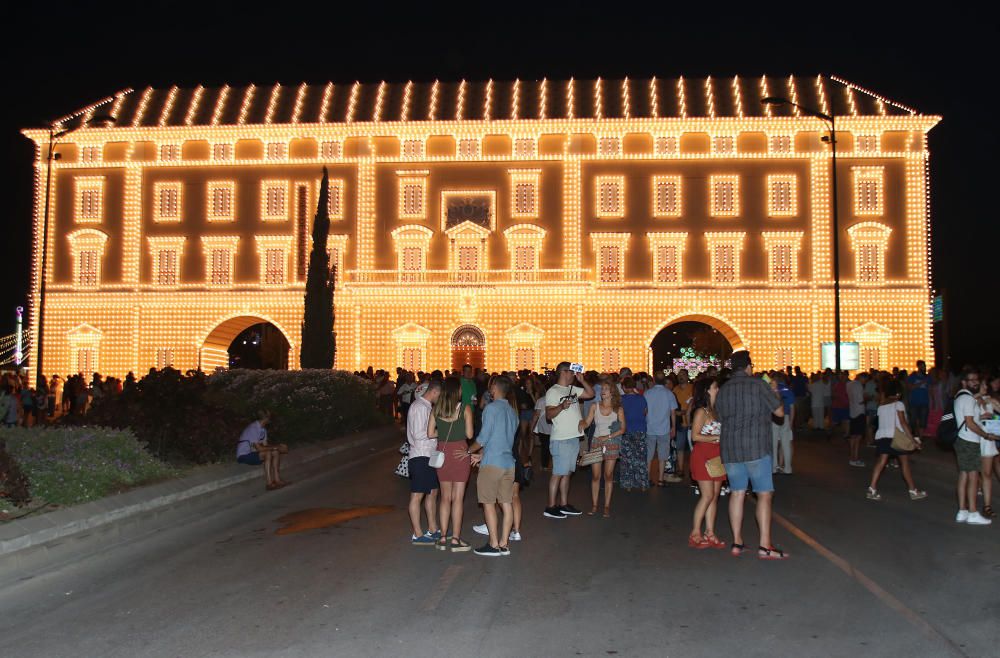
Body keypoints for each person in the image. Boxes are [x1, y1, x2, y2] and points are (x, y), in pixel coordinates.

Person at [715, 350, 788, 560]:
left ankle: (737, 542)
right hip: (756, 448)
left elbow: (719, 417)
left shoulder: (724, 390)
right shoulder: (759, 385)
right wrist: (775, 392)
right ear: (748, 366)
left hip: (731, 449)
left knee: (737, 493)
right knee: (764, 494)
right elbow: (779, 413)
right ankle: (765, 545)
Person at [460, 375, 519, 557]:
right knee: (506, 503)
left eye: (491, 387)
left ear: (494, 388)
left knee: (488, 503)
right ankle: (504, 544)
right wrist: (482, 454)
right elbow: (502, 439)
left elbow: (483, 438)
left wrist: (468, 451)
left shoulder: (491, 409)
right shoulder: (512, 412)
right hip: (508, 463)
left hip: (492, 463)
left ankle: (493, 544)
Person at [428, 377, 474, 552]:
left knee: (445, 497)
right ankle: (455, 539)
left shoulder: (436, 409)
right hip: (460, 454)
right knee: (458, 499)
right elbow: (469, 435)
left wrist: (443, 431)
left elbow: (430, 433)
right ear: (457, 391)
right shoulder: (465, 408)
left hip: (443, 454)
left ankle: (442, 537)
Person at [543, 362, 594, 519]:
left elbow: (590, 394)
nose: (573, 375)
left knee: (567, 473)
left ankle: (564, 504)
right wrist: (561, 406)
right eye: (572, 372)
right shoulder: (553, 391)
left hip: (573, 438)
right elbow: (548, 415)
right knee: (558, 473)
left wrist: (583, 380)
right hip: (561, 439)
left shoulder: (573, 389)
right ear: (563, 372)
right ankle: (550, 506)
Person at [865, 380, 927, 501]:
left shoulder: (881, 406)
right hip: (896, 437)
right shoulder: (898, 404)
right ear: (898, 393)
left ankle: (872, 488)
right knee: (905, 464)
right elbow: (903, 423)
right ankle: (913, 491)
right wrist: (913, 440)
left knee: (881, 462)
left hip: (883, 436)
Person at [954, 368, 997, 525]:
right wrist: (986, 435)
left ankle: (962, 511)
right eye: (971, 380)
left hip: (962, 440)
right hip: (969, 441)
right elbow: (970, 423)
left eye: (976, 380)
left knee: (964, 475)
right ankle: (972, 513)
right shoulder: (968, 399)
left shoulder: (961, 396)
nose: (975, 382)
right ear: (964, 382)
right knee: (973, 477)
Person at [689, 377, 726, 549]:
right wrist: (717, 437)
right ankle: (695, 532)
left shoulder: (716, 411)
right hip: (703, 455)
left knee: (715, 495)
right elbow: (695, 436)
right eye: (715, 387)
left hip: (717, 455)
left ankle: (710, 532)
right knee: (707, 495)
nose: (717, 389)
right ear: (707, 391)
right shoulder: (701, 412)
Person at [579, 383, 625, 516]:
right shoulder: (595, 406)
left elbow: (623, 429)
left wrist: (608, 437)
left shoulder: (618, 409)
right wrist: (581, 423)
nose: (603, 391)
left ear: (612, 392)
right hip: (596, 442)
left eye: (606, 389)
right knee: (595, 476)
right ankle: (594, 505)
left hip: (611, 443)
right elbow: (587, 422)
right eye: (602, 389)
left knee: (608, 476)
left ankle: (606, 506)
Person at [407, 379, 442, 545]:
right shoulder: (420, 407)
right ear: (434, 392)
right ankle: (417, 533)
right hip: (420, 455)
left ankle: (432, 529)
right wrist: (440, 431)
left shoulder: (427, 407)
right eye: (440, 394)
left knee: (433, 492)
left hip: (429, 454)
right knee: (417, 495)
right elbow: (418, 434)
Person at [236, 410, 288, 490]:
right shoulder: (253, 428)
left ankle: (277, 480)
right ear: (266, 418)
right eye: (269, 417)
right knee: (268, 453)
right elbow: (259, 448)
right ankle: (269, 483)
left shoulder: (263, 429)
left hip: (253, 453)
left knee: (275, 452)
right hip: (244, 455)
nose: (270, 419)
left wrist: (278, 447)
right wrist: (277, 447)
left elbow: (265, 445)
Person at [644, 372, 678, 487]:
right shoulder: (669, 394)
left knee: (649, 454)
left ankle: (648, 478)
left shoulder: (647, 393)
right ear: (664, 381)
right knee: (663, 455)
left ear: (654, 380)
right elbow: (673, 412)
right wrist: (674, 427)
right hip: (664, 428)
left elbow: (644, 411)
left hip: (650, 427)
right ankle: (660, 479)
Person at [618, 377, 649, 491]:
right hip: (640, 429)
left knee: (627, 458)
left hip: (626, 430)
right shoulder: (641, 398)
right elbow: (645, 412)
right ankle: (643, 484)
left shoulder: (621, 399)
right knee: (641, 457)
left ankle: (628, 485)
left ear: (624, 387)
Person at [667, 369, 694, 483]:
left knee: (693, 449)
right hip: (680, 423)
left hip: (692, 423)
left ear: (687, 376)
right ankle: (681, 469)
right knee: (680, 447)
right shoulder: (675, 389)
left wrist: (685, 412)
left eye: (683, 375)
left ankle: (693, 470)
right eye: (679, 375)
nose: (681, 377)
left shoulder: (693, 388)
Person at [770, 373, 795, 474]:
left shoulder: (771, 389)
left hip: (774, 417)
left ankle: (774, 467)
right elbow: (792, 408)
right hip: (786, 417)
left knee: (774, 444)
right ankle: (788, 468)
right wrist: (791, 422)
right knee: (786, 444)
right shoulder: (788, 390)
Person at [845, 372, 867, 467]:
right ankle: (855, 458)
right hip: (859, 412)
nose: (865, 382)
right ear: (862, 378)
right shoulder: (859, 386)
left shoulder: (849, 384)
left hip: (852, 411)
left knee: (853, 436)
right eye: (865, 380)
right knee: (858, 437)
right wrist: (867, 398)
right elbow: (860, 401)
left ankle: (852, 456)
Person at [906, 360, 930, 438]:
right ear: (918, 366)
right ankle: (915, 435)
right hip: (914, 402)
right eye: (922, 366)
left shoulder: (928, 377)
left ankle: (920, 436)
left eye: (925, 366)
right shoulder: (912, 376)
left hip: (924, 402)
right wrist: (922, 382)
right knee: (913, 420)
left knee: (923, 420)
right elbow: (910, 387)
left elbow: (931, 388)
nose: (924, 367)